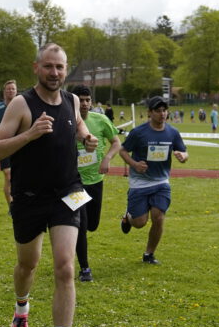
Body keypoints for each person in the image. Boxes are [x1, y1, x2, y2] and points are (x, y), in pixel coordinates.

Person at [0, 43, 98, 327]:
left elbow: (77, 123)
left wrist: (86, 136)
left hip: (67, 192)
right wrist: (30, 133)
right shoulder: (22, 104)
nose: (54, 73)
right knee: (28, 265)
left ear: (66, 69)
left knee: (65, 266)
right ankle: (21, 309)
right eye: (48, 66)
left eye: (60, 67)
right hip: (29, 197)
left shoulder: (72, 100)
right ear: (37, 68)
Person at [118, 95, 189, 265]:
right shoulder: (138, 132)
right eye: (158, 111)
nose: (162, 114)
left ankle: (149, 254)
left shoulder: (172, 132)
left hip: (161, 183)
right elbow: (122, 151)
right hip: (139, 183)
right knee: (140, 223)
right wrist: (134, 164)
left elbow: (184, 152)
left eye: (164, 110)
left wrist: (183, 156)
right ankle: (128, 216)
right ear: (150, 113)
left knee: (158, 217)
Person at [72, 85, 122, 282]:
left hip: (96, 180)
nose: (84, 104)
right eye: (80, 100)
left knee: (92, 225)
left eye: (87, 100)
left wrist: (106, 159)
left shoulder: (100, 120)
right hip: (74, 183)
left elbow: (116, 142)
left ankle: (76, 245)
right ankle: (84, 268)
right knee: (81, 224)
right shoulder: (67, 122)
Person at [0, 80, 18, 210]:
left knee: (20, 177)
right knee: (8, 174)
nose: (10, 91)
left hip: (19, 144)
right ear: (4, 91)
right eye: (8, 89)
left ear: (16, 91)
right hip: (3, 145)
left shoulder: (21, 106)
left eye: (13, 89)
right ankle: (11, 206)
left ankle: (20, 204)